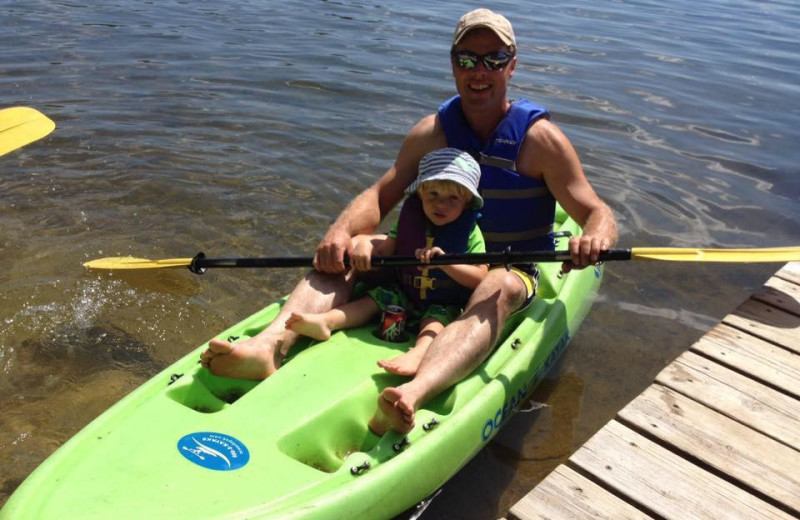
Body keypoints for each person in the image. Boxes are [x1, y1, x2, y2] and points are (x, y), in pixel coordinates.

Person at [201, 8, 618, 435]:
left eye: (493, 58)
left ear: (512, 64)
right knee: (349, 251)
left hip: (506, 267)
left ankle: (414, 391)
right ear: (453, 63)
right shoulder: (432, 132)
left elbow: (595, 211)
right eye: (467, 59)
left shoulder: (540, 141)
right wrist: (341, 234)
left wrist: (594, 238)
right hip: (422, 258)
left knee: (501, 283)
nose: (479, 71)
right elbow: (382, 194)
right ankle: (268, 346)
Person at [285, 147, 488, 379]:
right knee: (372, 300)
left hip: (444, 303)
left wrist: (446, 263)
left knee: (434, 321)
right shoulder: (408, 222)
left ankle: (419, 353)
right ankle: (327, 321)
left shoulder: (471, 232)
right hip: (405, 293)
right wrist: (363, 247)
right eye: (433, 195)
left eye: (452, 198)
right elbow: (383, 253)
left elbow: (480, 278)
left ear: (466, 201)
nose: (441, 204)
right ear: (420, 194)